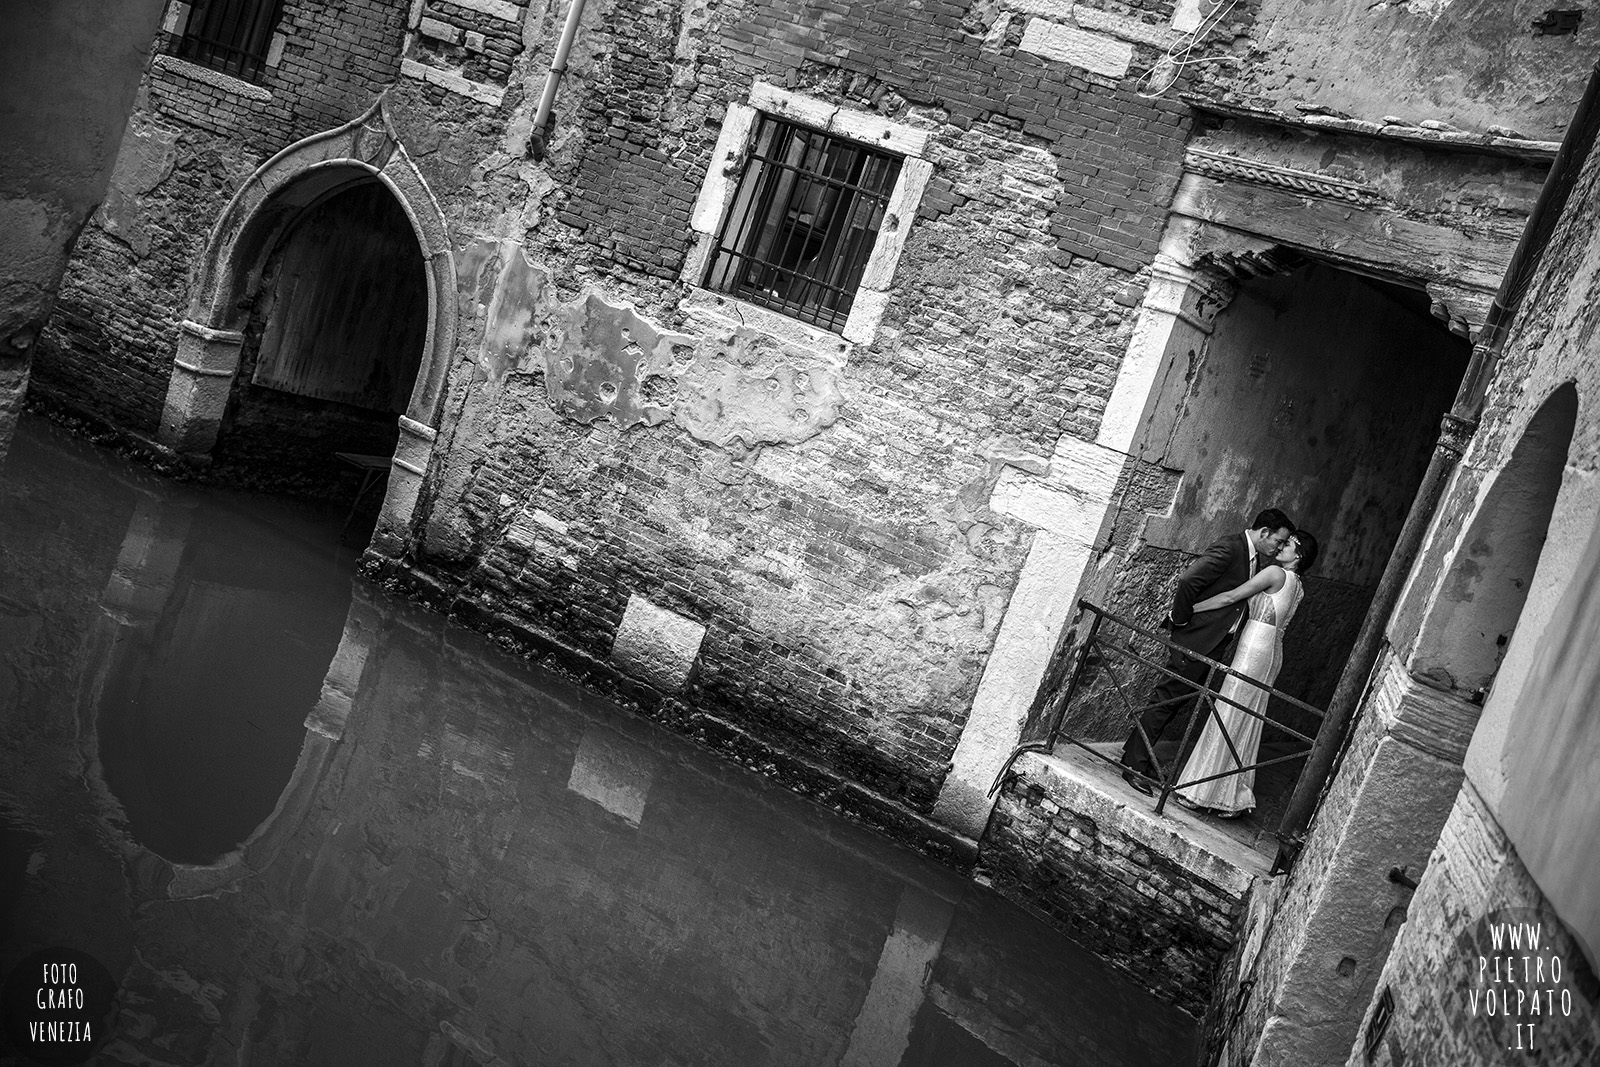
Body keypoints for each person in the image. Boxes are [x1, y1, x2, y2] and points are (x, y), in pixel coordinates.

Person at [1119, 509, 1295, 796]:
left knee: (1175, 701)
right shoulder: (1230, 548)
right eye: (1278, 541)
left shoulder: (1253, 558)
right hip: (1196, 638)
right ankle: (1134, 766)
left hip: (1212, 642)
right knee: (1166, 699)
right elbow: (1189, 581)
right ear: (1264, 533)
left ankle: (1136, 755)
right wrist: (1181, 621)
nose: (1278, 547)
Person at [1172, 530, 1319, 817]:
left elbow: (1231, 597)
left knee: (1229, 712)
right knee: (1246, 718)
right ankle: (1230, 792)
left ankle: (1201, 792)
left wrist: (1190, 609)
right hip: (1272, 650)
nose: (1281, 546)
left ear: (1298, 555)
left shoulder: (1276, 573)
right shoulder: (1298, 585)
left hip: (1254, 648)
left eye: (1287, 544)